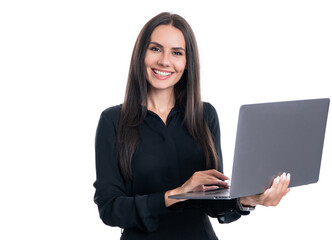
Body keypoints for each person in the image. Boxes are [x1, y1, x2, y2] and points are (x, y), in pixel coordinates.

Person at [93, 12, 290, 240]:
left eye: (177, 53)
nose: (165, 61)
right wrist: (176, 194)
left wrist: (249, 200)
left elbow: (214, 203)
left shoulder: (205, 115)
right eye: (155, 49)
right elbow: (109, 209)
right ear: (141, 54)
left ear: (187, 63)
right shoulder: (113, 120)